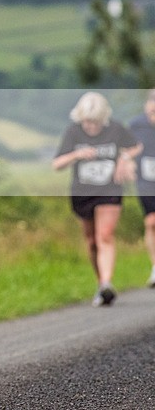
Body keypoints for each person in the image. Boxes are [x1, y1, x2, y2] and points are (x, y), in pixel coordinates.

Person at [52, 91, 141, 307]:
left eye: (96, 123)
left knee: (105, 235)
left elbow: (136, 146)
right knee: (92, 241)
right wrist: (77, 155)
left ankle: (107, 283)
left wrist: (124, 158)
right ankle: (101, 282)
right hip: (83, 193)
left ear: (104, 119)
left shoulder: (116, 129)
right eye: (87, 123)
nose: (91, 127)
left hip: (109, 189)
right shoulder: (73, 132)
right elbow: (57, 164)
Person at [127, 89, 155, 288]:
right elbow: (127, 148)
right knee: (151, 222)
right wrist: (127, 161)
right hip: (146, 181)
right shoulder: (136, 125)